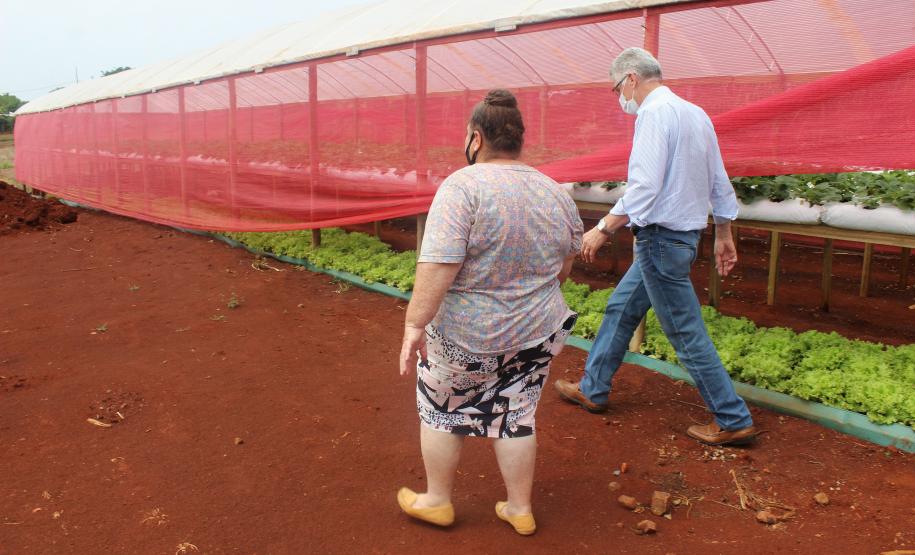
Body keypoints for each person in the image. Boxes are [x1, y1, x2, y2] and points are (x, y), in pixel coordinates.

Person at [397, 89, 583, 535]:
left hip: (466, 336)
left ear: (476, 138)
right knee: (516, 413)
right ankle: (519, 508)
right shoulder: (553, 190)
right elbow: (565, 265)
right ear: (518, 139)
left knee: (442, 408)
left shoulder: (463, 187)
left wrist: (414, 324)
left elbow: (439, 265)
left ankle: (437, 501)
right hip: (536, 333)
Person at [553, 47, 758, 447]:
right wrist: (723, 232)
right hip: (680, 239)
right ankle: (593, 388)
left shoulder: (653, 113)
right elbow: (719, 179)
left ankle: (732, 417)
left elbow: (645, 186)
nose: (620, 98)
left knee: (684, 330)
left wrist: (603, 228)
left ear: (631, 78)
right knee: (622, 307)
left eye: (617, 88)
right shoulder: (696, 114)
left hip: (660, 241)